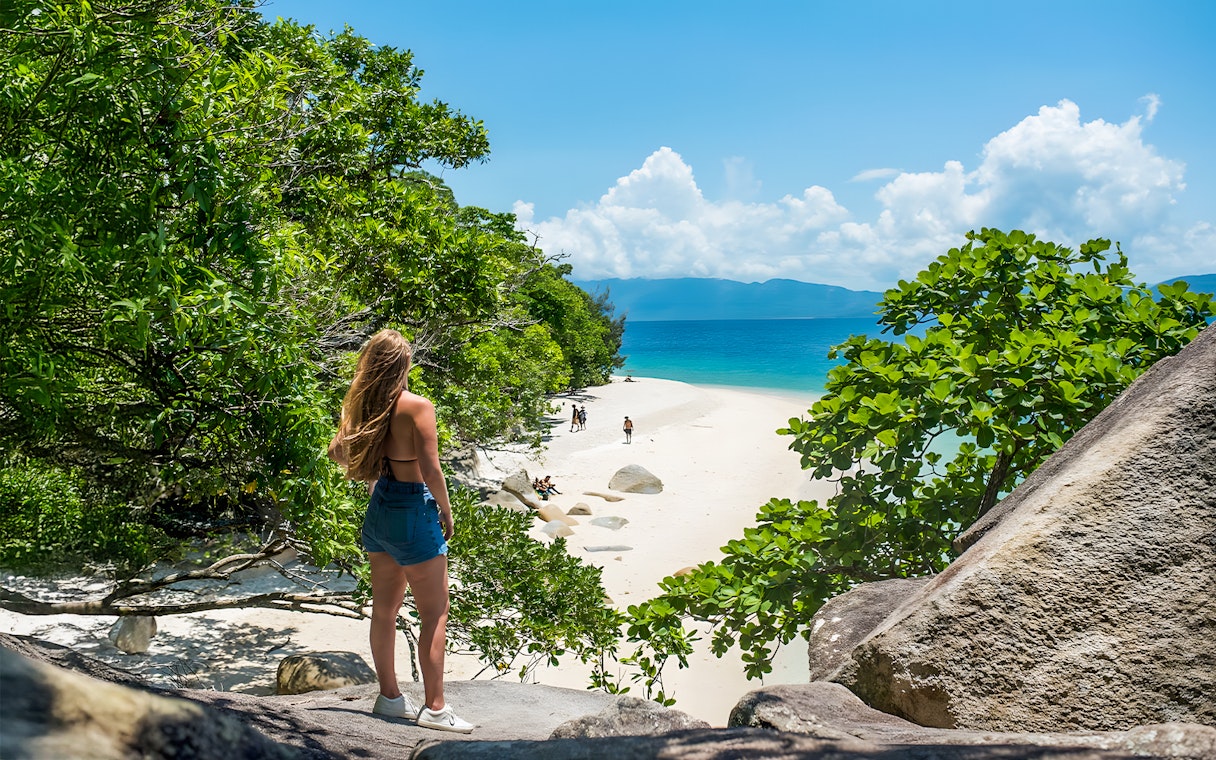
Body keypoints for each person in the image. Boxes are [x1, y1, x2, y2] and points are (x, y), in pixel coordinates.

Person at [327, 329, 474, 734]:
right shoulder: (416, 406)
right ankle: (437, 709)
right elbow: (431, 469)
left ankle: (390, 699)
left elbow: (336, 451)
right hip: (413, 508)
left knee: (385, 611)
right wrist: (445, 511)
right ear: (403, 365)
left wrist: (374, 471)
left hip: (380, 512)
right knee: (434, 613)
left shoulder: (364, 407)